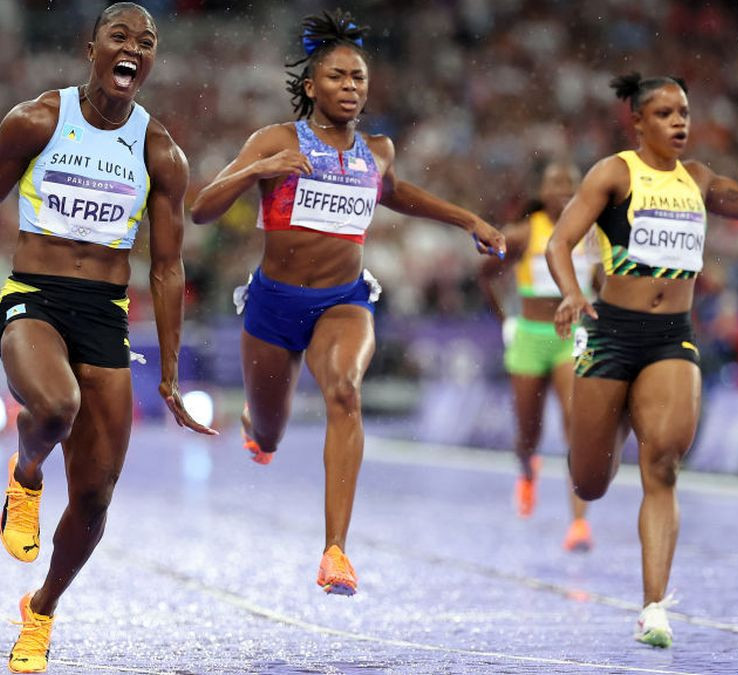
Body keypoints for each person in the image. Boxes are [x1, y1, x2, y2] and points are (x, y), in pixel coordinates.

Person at [0, 4, 216, 672]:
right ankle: (27, 473)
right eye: (120, 36)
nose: (133, 49)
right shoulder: (36, 120)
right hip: (34, 297)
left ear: (150, 62)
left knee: (95, 497)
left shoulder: (159, 151)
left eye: (147, 43)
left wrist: (171, 371)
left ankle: (41, 609)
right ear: (91, 48)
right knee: (57, 407)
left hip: (105, 314)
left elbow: (169, 265)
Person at [190, 9, 505, 597]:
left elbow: (396, 193)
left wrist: (469, 219)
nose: (351, 86)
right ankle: (258, 428)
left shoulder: (378, 150)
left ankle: (335, 550)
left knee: (343, 391)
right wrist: (261, 168)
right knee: (273, 434)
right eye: (337, 76)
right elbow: (202, 208)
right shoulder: (276, 140)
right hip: (273, 305)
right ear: (311, 86)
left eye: (358, 77)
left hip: (344, 300)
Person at [546, 65, 738, 647]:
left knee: (662, 464)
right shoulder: (615, 172)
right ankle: (607, 429)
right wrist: (572, 293)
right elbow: (561, 241)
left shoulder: (698, 178)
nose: (678, 122)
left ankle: (653, 608)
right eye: (664, 113)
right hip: (610, 333)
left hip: (670, 338)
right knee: (589, 484)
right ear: (637, 122)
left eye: (684, 112)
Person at [478, 159, 597, 551]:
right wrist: (505, 319)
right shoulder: (525, 233)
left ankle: (578, 523)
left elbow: (605, 282)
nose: (563, 188)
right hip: (529, 335)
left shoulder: (592, 234)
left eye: (570, 181)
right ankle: (527, 470)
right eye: (555, 182)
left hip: (570, 336)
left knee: (575, 424)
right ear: (542, 192)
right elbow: (484, 274)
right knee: (528, 431)